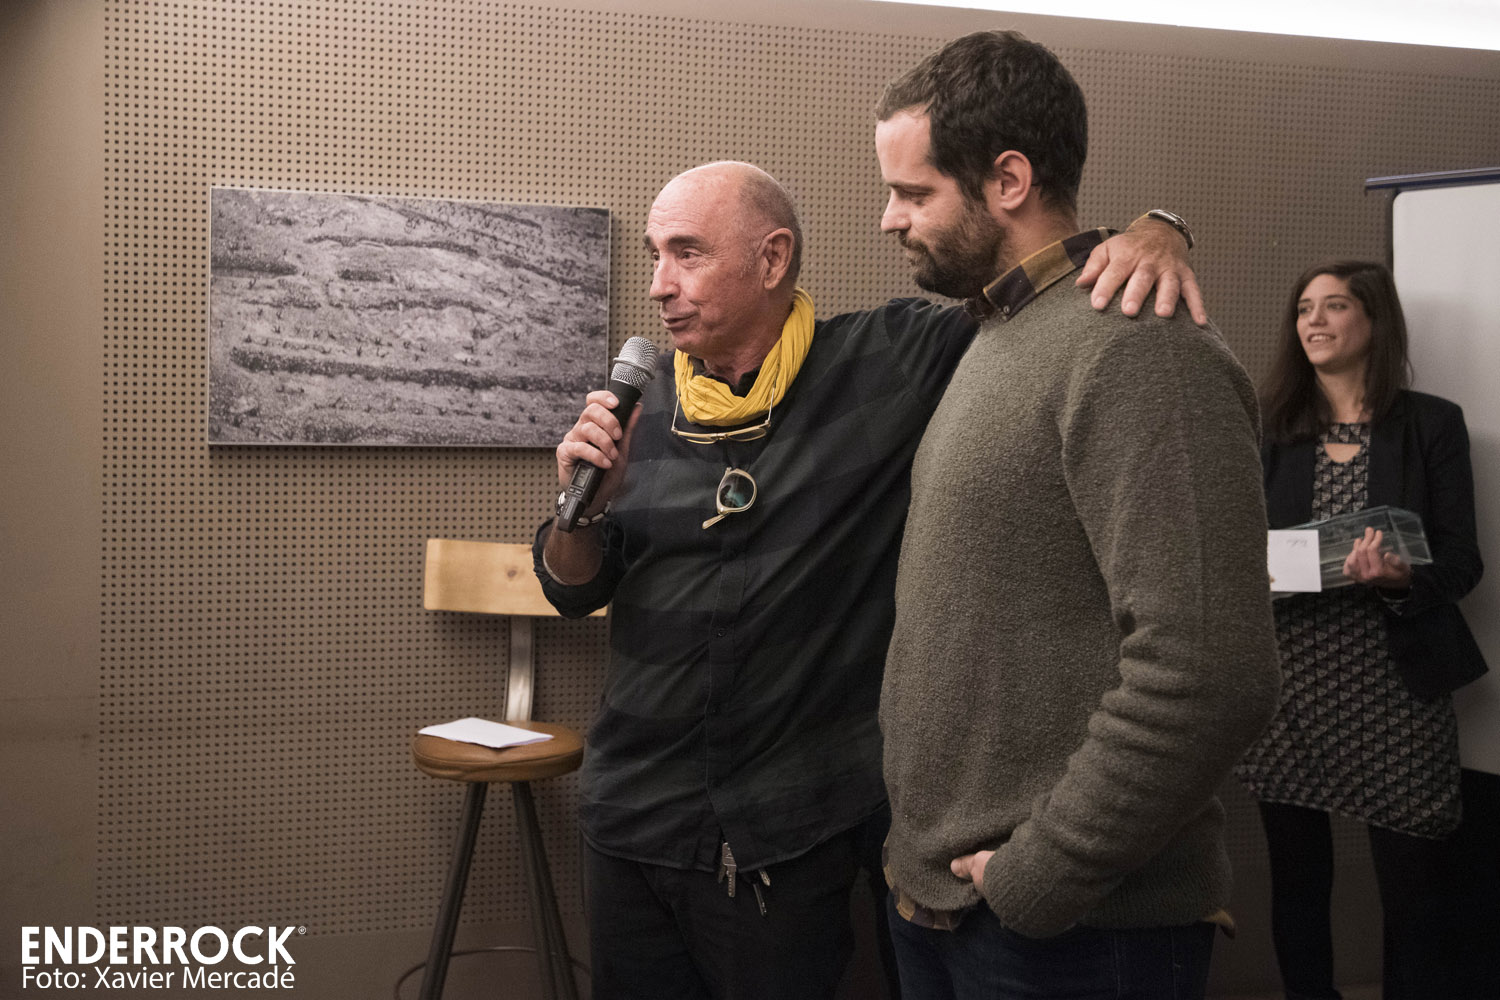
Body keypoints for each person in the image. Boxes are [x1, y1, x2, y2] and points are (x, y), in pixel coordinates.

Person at [532, 156, 1201, 998]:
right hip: (631, 812)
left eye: (687, 253)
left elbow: (1038, 307)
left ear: (773, 259)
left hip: (788, 828)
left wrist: (1159, 231)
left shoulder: (889, 360)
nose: (660, 284)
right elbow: (571, 589)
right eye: (656, 256)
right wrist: (583, 511)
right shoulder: (642, 404)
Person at [875, 31, 1281, 1000]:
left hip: (1070, 935)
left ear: (1008, 179)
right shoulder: (999, 332)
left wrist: (1041, 875)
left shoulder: (1140, 350)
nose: (890, 219)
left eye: (914, 193)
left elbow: (1212, 670)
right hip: (949, 908)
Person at [1235, 260, 1488, 1000]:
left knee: (1415, 894)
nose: (1313, 321)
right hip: (1290, 688)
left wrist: (1402, 579)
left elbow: (1464, 560)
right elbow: (1230, 550)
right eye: (1304, 308)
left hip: (1397, 687)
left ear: (1374, 322)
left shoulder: (1431, 425)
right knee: (1297, 882)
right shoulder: (1267, 428)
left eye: (1335, 306)